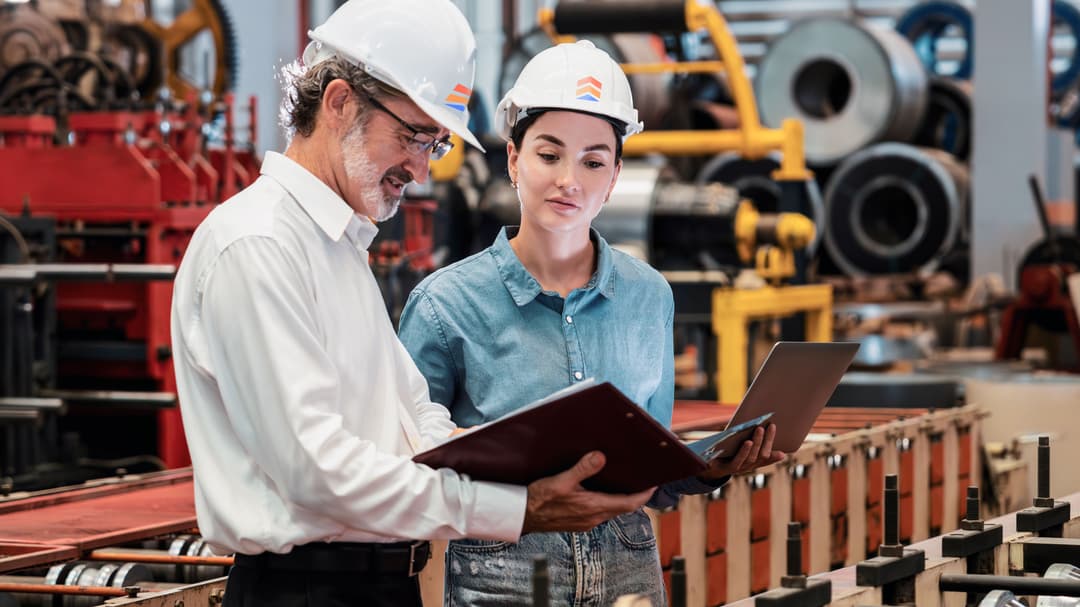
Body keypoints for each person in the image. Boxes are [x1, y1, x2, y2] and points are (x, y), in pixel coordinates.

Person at [169, 4, 655, 606]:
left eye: (437, 143)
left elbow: (414, 412)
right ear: (340, 101)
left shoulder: (337, 245)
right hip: (305, 589)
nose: (422, 169)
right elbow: (317, 469)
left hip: (376, 582)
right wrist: (516, 507)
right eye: (412, 136)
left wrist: (519, 461)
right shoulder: (259, 244)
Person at [398, 41, 786, 606]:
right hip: (501, 576)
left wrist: (710, 467)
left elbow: (649, 475)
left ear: (616, 175)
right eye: (549, 155)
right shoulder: (444, 304)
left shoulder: (648, 296)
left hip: (629, 569)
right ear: (512, 160)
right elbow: (408, 473)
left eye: (593, 161)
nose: (570, 181)